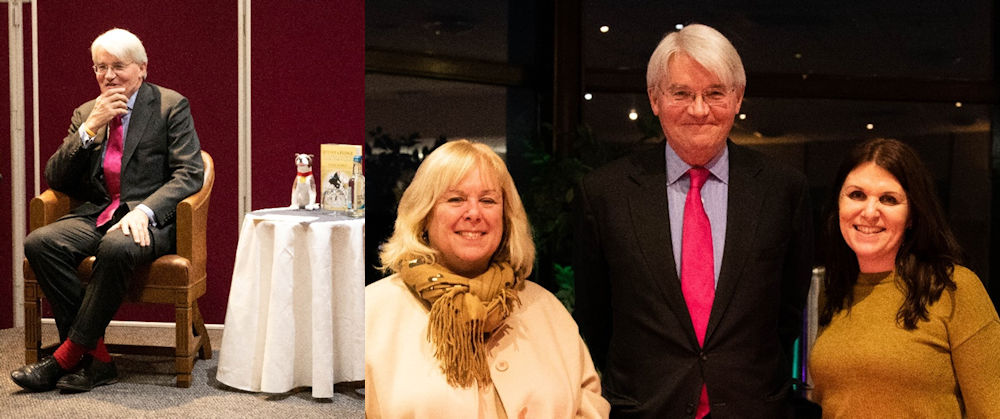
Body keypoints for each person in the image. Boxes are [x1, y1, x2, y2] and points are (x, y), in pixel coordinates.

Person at [573, 24, 814, 418]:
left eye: (715, 93)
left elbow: (786, 312)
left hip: (751, 409)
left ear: (737, 98)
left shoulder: (783, 190)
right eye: (681, 93)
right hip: (646, 410)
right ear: (654, 99)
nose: (698, 109)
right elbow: (595, 319)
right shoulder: (604, 194)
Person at [11, 28, 204, 392]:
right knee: (39, 243)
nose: (109, 75)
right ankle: (96, 357)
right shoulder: (87, 112)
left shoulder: (169, 106)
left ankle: (66, 356)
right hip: (100, 212)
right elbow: (57, 177)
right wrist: (89, 128)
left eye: (119, 66)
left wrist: (145, 211)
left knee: (114, 246)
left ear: (142, 68)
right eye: (101, 67)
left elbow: (190, 173)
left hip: (148, 221)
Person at [366, 140, 609, 418]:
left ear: (506, 216)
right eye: (456, 199)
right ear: (423, 214)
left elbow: (589, 405)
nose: (473, 213)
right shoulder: (372, 312)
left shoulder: (547, 309)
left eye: (488, 200)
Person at [808, 138, 1000, 417]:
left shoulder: (955, 289)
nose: (870, 212)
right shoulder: (834, 291)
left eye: (889, 199)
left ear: (911, 215)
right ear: (839, 203)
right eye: (857, 195)